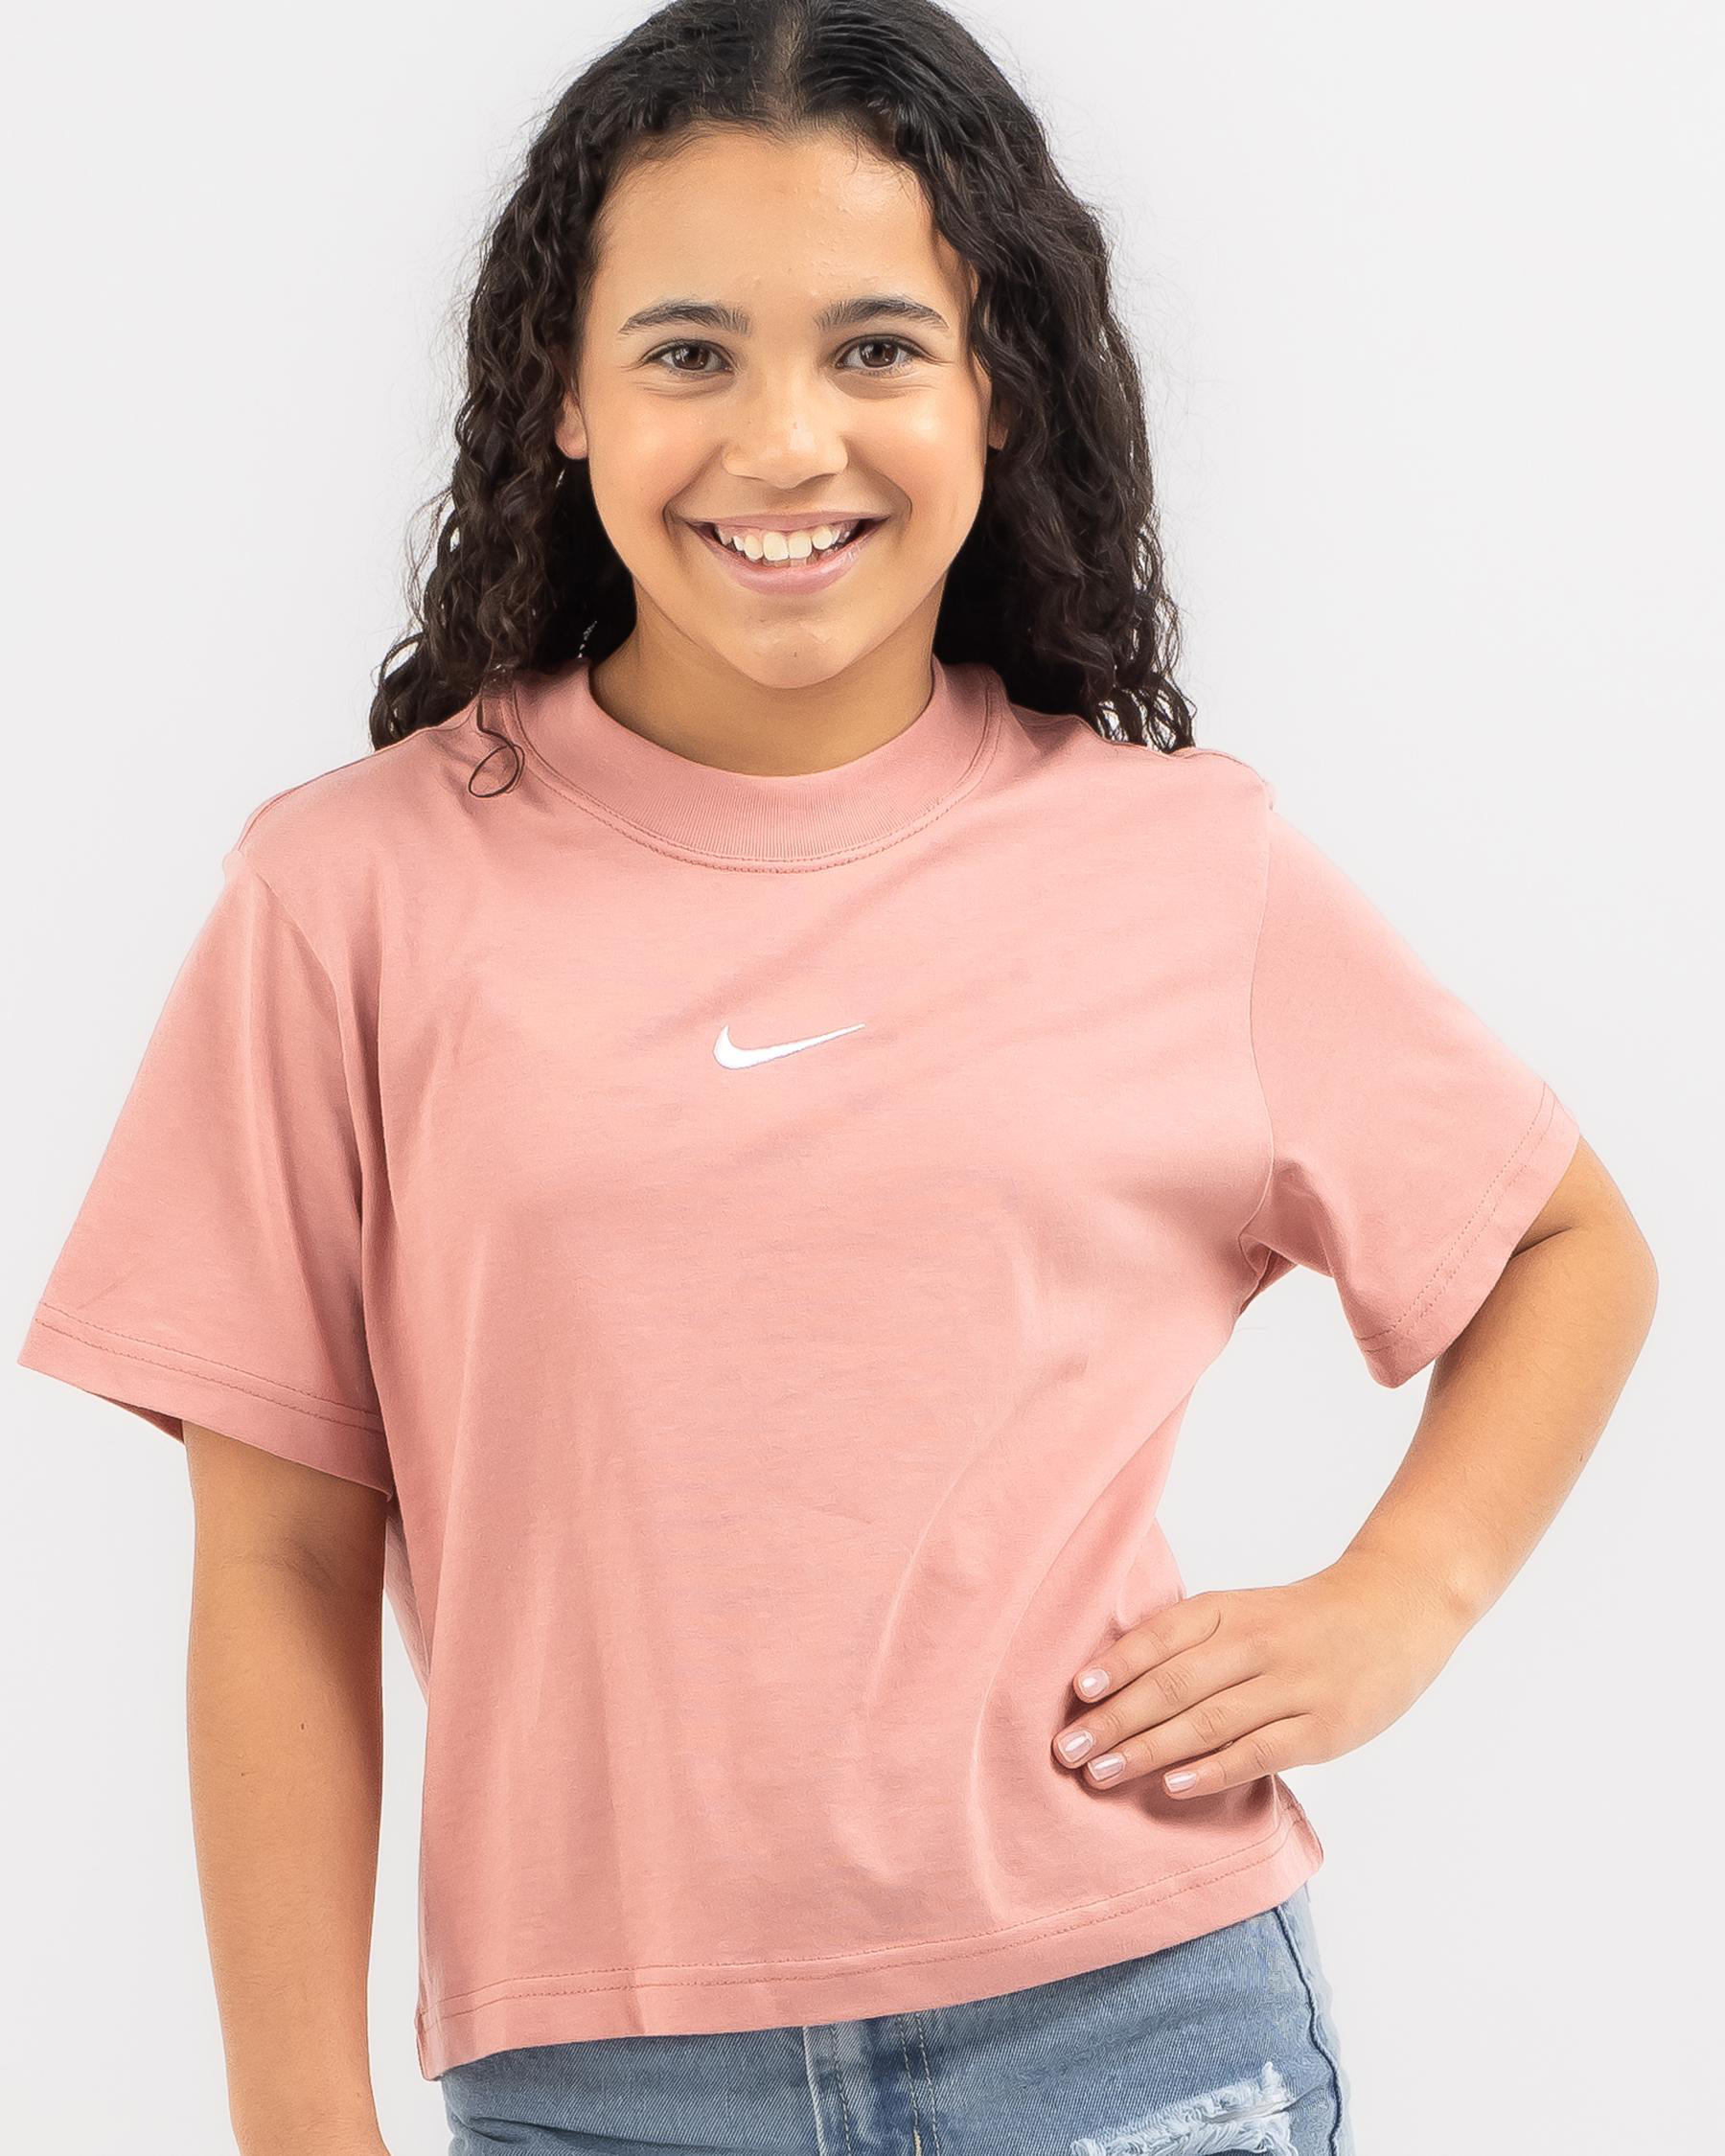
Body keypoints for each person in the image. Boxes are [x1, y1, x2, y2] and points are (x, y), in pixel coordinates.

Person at [16, 1, 1657, 2151]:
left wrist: (1396, 1603)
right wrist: (294, 2122)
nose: (786, 441)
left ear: (998, 389)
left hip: (1138, 2033)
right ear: (565, 399)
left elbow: (1562, 1242)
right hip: (600, 2087)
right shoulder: (350, 898)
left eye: (877, 346)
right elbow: (283, 1563)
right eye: (689, 352)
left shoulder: (1184, 863)